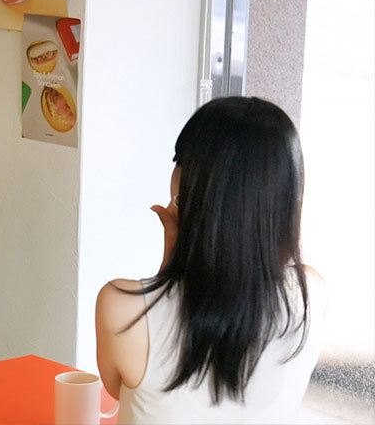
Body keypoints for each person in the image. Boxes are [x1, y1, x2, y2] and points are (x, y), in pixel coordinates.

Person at [95, 97, 327, 423]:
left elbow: (116, 388)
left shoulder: (122, 307)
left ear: (191, 190)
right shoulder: (311, 293)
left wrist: (172, 256)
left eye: (179, 161)